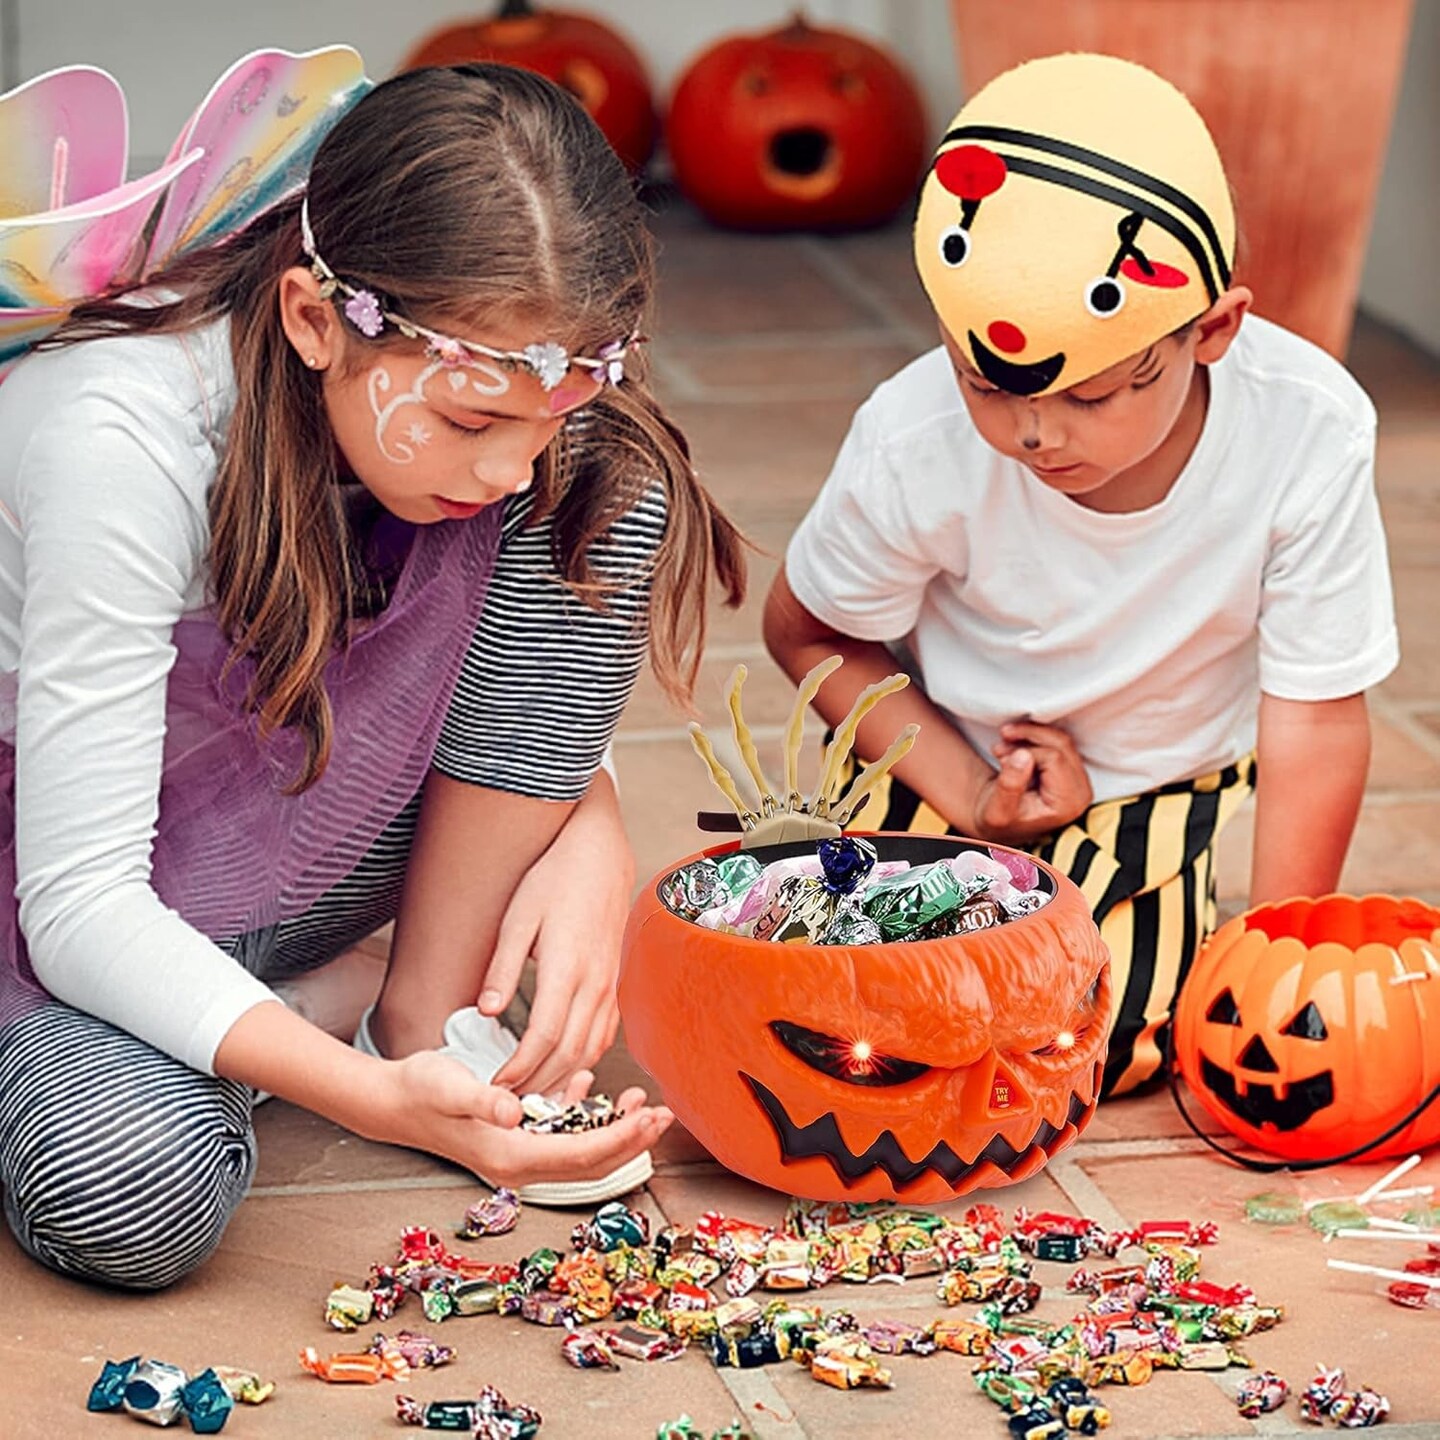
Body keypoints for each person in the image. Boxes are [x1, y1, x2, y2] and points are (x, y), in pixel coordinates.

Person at [0, 60, 746, 1289]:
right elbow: (78, 902)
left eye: (544, 417)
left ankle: (417, 1010)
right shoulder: (118, 436)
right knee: (126, 1189)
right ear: (310, 319)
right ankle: (299, 1028)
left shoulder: (513, 444)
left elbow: (513, 655)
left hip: (300, 823)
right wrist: (376, 1109)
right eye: (466, 424)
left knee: (619, 482)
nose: (510, 469)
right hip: (61, 891)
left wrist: (585, 816)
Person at [764, 53, 1397, 1098]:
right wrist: (970, 792)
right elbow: (811, 633)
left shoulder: (1308, 432)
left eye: (1099, 395)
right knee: (862, 1003)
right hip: (945, 760)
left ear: (1212, 331)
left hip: (1156, 787)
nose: (1035, 433)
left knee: (1096, 1031)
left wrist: (1276, 959)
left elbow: (1318, 714)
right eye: (985, 384)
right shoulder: (916, 437)